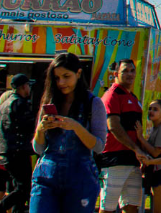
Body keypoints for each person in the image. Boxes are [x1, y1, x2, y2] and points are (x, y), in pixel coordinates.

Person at [29, 52, 108, 213]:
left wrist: (76, 127)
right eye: (57, 78)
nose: (61, 82)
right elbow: (38, 148)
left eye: (66, 76)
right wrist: (41, 130)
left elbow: (99, 146)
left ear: (78, 73)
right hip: (46, 175)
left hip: (80, 178)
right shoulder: (49, 101)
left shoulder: (93, 103)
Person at [101, 59, 151, 213]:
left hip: (133, 161)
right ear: (116, 74)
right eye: (125, 71)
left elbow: (136, 131)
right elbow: (114, 126)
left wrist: (142, 153)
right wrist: (136, 149)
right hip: (114, 160)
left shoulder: (134, 98)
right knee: (107, 207)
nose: (130, 74)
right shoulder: (112, 95)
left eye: (132, 70)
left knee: (132, 206)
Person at [0, 74, 32, 213]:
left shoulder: (4, 104)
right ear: (24, 86)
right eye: (28, 85)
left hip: (4, 152)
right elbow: (28, 126)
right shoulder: (20, 103)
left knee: (17, 187)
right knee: (24, 188)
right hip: (18, 151)